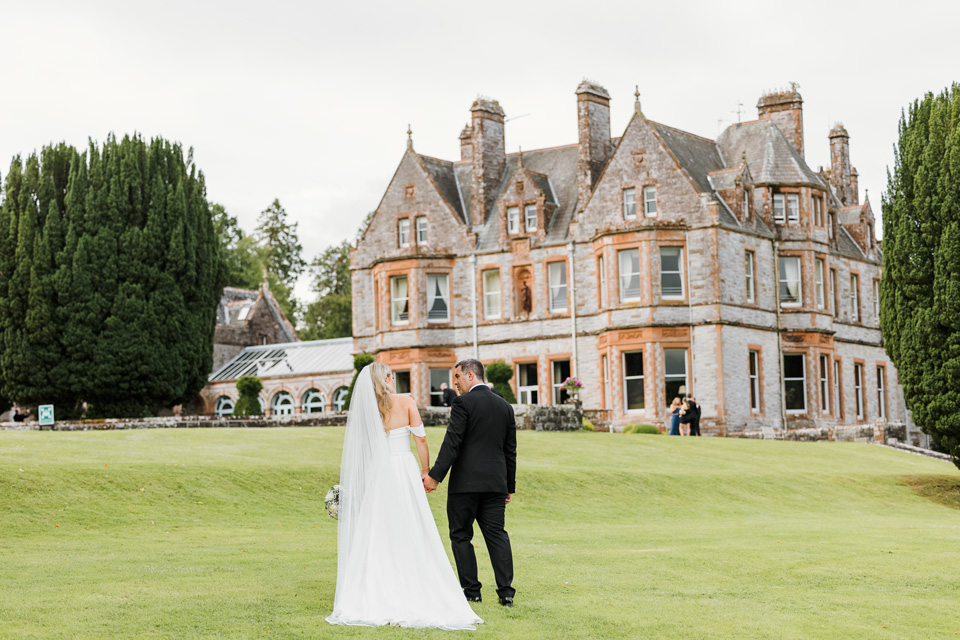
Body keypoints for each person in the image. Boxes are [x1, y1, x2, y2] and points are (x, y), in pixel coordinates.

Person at [326, 363, 482, 630]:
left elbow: (363, 448)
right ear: (386, 379)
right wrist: (425, 471)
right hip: (403, 469)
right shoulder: (406, 401)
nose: (393, 378)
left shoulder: (369, 408)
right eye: (390, 375)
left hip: (380, 471)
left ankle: (375, 587)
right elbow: (420, 440)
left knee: (378, 527)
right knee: (411, 523)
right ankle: (414, 581)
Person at [423, 359, 517, 607]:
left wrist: (434, 476)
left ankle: (472, 591)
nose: (455, 382)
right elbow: (510, 450)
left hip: (465, 485)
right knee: (497, 535)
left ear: (471, 375)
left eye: (457, 377)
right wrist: (509, 485)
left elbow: (452, 442)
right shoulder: (505, 406)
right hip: (496, 484)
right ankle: (506, 593)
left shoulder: (462, 403)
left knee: (460, 535)